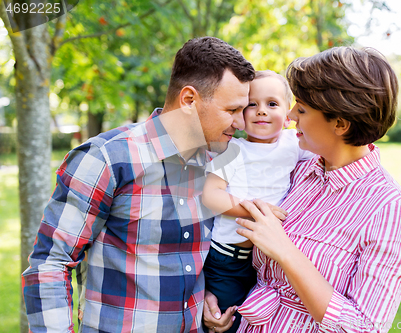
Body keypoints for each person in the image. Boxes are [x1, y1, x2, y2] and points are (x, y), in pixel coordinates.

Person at [22, 36, 256, 333]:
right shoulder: (107, 159)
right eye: (232, 110)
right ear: (188, 100)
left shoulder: (219, 165)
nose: (241, 123)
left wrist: (206, 297)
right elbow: (50, 265)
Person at [204, 47, 401, 333]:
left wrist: (286, 251)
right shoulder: (300, 171)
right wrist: (213, 296)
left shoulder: (389, 209)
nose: (290, 115)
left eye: (301, 109)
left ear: (340, 124)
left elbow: (364, 328)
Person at [201, 71, 315, 333]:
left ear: (289, 113)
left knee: (258, 323)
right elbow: (211, 195)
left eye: (272, 104)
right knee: (225, 321)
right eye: (252, 104)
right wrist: (256, 211)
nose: (261, 111)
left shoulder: (293, 143)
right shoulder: (233, 149)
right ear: (240, 112)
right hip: (227, 259)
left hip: (265, 261)